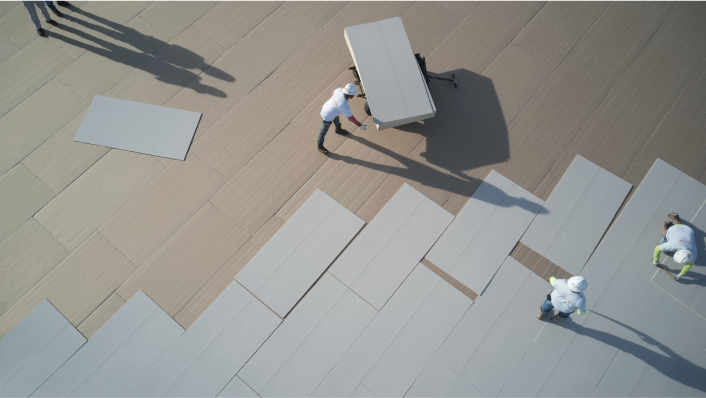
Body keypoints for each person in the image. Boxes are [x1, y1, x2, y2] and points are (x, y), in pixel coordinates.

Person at [317, 83, 367, 154]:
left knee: (336, 118)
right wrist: (360, 125)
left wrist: (335, 104)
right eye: (353, 94)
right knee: (323, 130)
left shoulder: (339, 90)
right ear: (351, 95)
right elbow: (350, 118)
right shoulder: (344, 105)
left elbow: (332, 93)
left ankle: (338, 129)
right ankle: (319, 145)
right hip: (327, 116)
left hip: (327, 108)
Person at [653, 212, 696, 280]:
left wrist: (680, 275)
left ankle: (677, 219)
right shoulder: (672, 246)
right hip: (674, 229)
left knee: (682, 232)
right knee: (664, 249)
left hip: (689, 230)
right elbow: (657, 248)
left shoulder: (693, 253)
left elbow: (688, 266)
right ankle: (666, 228)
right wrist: (656, 261)